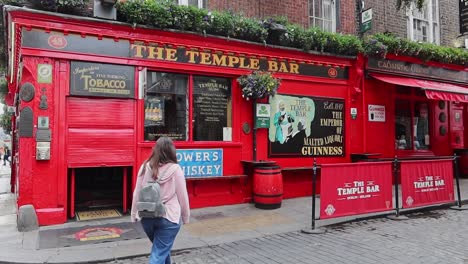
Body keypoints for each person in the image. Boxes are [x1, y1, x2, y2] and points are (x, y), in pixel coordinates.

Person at [131, 136, 190, 264]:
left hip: (147, 216)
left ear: (155, 149)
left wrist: (134, 213)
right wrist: (185, 217)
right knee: (158, 254)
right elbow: (183, 196)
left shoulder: (145, 166)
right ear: (171, 151)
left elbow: (137, 191)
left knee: (162, 248)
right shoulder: (176, 169)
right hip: (169, 218)